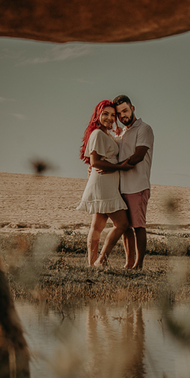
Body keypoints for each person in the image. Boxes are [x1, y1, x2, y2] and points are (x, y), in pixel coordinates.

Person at [75, 100, 134, 267]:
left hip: (105, 183)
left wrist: (117, 132)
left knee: (97, 226)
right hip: (104, 184)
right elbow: (95, 162)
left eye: (113, 115)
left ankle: (92, 263)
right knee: (122, 223)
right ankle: (101, 260)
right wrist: (119, 167)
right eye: (105, 114)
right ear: (98, 115)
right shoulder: (98, 134)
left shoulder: (105, 134)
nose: (109, 117)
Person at [105, 94, 153, 269]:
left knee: (139, 226)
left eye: (125, 111)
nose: (122, 116)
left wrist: (116, 168)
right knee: (125, 227)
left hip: (138, 186)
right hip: (122, 187)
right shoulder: (123, 131)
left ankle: (139, 265)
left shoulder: (144, 128)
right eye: (119, 114)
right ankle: (129, 263)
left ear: (132, 109)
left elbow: (138, 156)